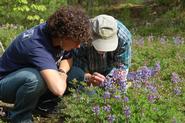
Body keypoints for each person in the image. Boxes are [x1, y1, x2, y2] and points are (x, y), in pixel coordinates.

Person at [0, 6, 91, 123]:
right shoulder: (37, 45)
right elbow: (58, 89)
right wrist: (61, 77)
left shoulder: (58, 36)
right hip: (6, 83)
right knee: (34, 79)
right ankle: (20, 117)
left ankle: (41, 105)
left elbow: (68, 58)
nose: (78, 46)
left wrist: (62, 72)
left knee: (77, 74)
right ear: (64, 36)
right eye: (77, 41)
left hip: (27, 79)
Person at [72, 14, 132, 86]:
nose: (102, 51)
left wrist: (109, 81)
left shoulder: (123, 37)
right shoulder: (82, 34)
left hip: (111, 72)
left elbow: (122, 66)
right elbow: (76, 63)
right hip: (88, 72)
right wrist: (87, 77)